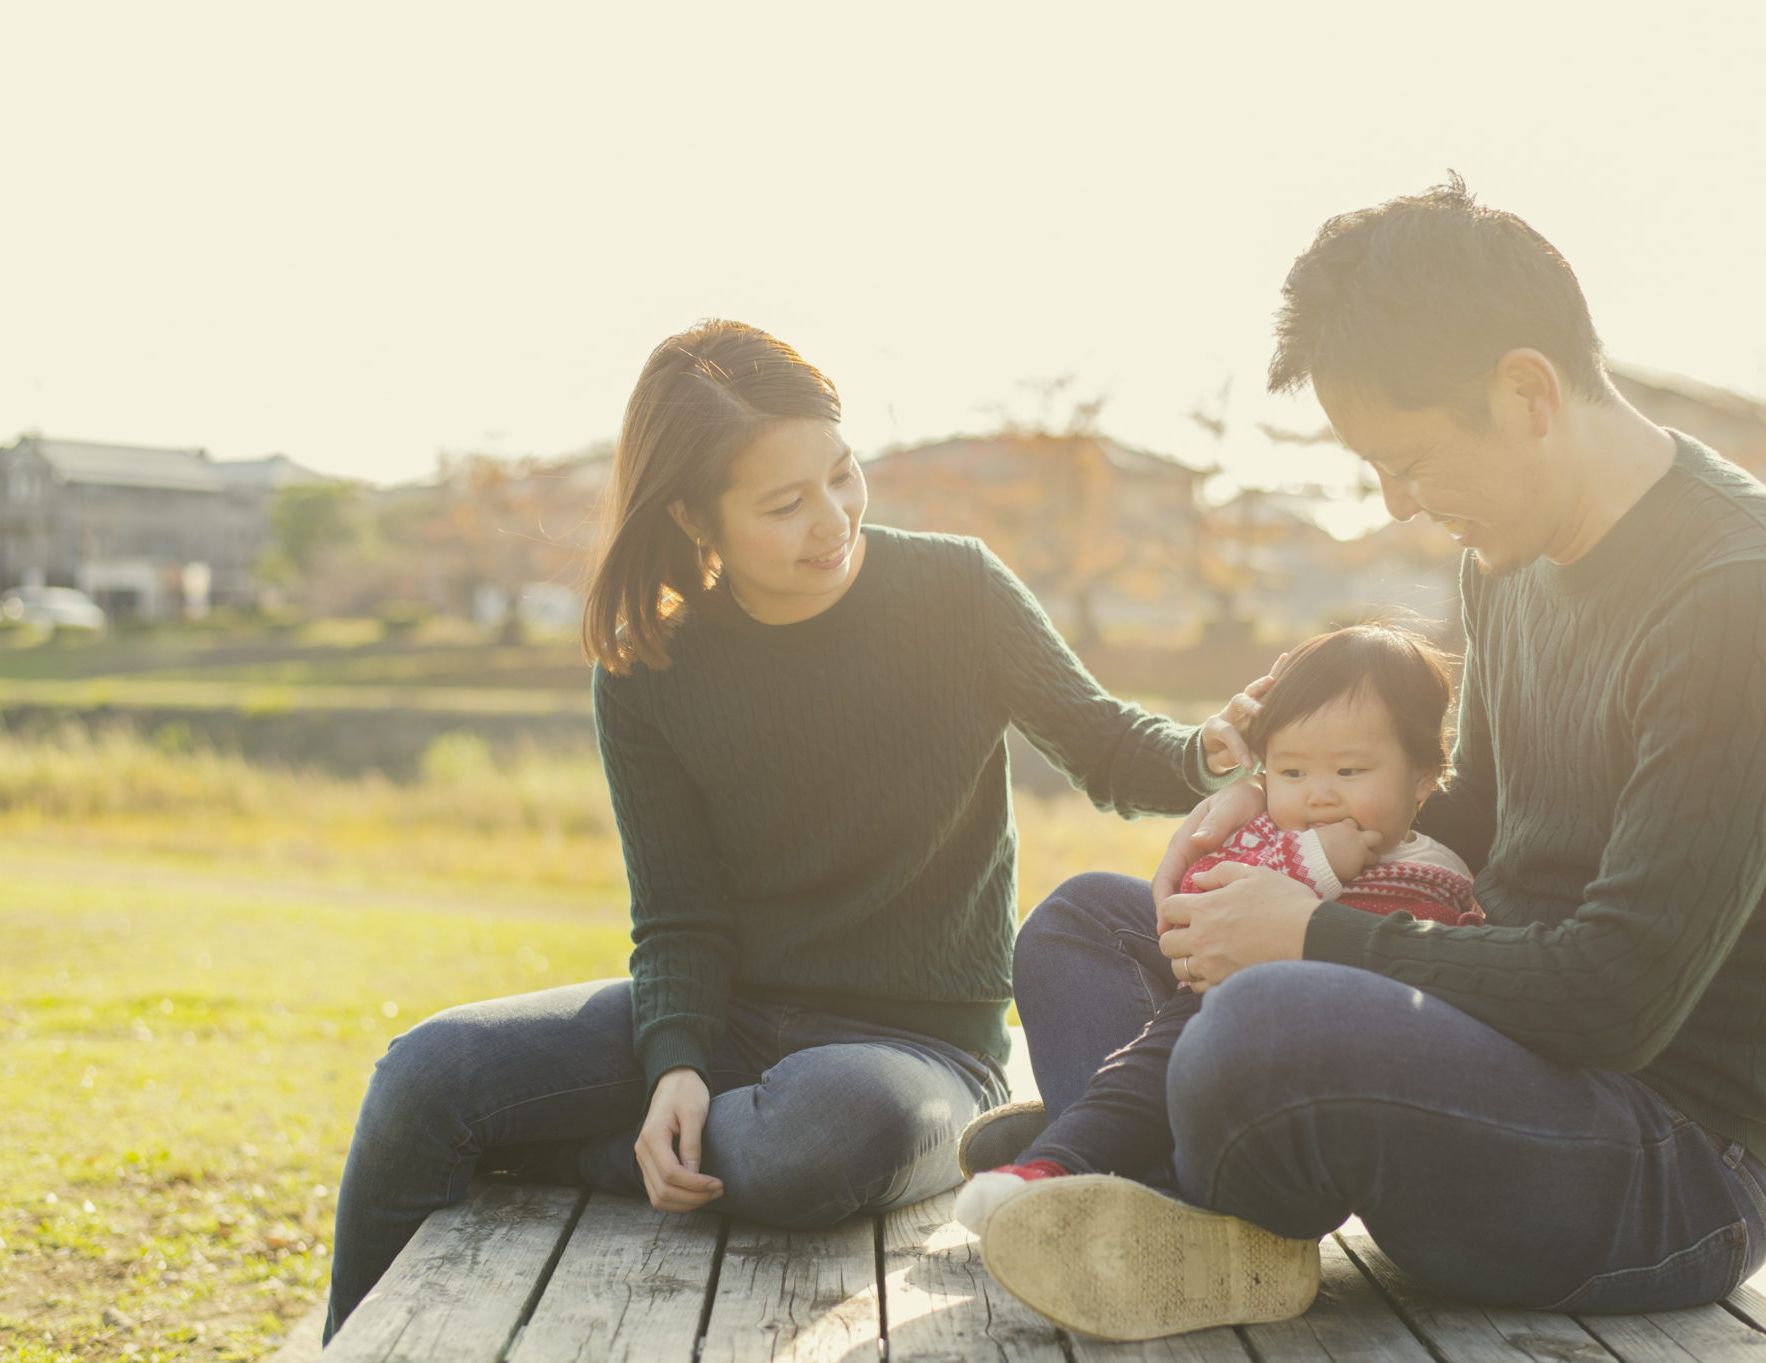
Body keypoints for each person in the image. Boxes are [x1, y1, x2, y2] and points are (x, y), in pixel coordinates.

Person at [981, 177, 1766, 1341]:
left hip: (1668, 1158)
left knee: (1260, 1028)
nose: (1395, 505)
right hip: (1494, 1035)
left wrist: (1310, 933)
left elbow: (1618, 995)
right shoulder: (1507, 563)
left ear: (1525, 393)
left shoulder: (1743, 596)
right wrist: (1280, 828)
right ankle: (1144, 1170)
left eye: (1407, 462)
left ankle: (1132, 1153)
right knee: (1085, 926)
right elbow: (1475, 820)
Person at [321, 320, 1265, 1341]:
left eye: (843, 475)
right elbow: (677, 913)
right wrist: (676, 1061)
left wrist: (1204, 752)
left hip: (913, 1056)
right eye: (784, 503)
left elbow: (1104, 745)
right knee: (427, 1073)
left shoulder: (957, 590)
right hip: (730, 1016)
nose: (833, 520)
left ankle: (577, 1150)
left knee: (819, 1133)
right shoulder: (651, 669)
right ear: (693, 515)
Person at [954, 624, 1482, 1255]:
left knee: (1195, 1035)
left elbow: (1424, 984)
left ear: (1424, 777)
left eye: (1350, 769)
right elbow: (1198, 899)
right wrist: (1269, 811)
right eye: (1291, 771)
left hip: (1293, 1082)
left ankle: (1072, 1152)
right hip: (1197, 1024)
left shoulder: (1435, 876)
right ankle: (1117, 1170)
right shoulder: (1270, 827)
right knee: (1084, 919)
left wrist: (1315, 876)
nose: (1319, 794)